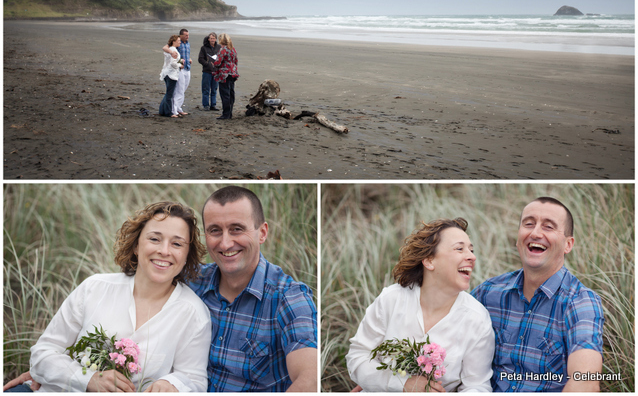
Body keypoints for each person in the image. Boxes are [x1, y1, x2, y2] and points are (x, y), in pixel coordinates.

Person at [4, 202, 211, 393]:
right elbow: (43, 354)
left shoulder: (193, 313)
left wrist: (172, 383)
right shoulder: (95, 288)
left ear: (187, 255)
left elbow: (194, 379)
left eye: (177, 244)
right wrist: (88, 378)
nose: (164, 251)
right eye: (154, 239)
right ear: (137, 246)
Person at [189, 185, 317, 391]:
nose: (225, 243)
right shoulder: (192, 281)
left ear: (262, 233)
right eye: (215, 231)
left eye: (236, 229)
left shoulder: (289, 298)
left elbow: (309, 380)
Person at [471, 197, 604, 392]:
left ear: (568, 244)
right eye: (529, 224)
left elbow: (585, 381)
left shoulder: (580, 303)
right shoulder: (488, 293)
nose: (535, 233)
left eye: (548, 227)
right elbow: (444, 330)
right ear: (518, 238)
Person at [346, 218, 494, 392]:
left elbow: (478, 386)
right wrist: (402, 384)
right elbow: (358, 357)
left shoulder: (477, 318)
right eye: (459, 249)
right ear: (429, 261)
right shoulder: (391, 299)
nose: (472, 256)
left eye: (471, 250)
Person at [212, 33, 238, 120]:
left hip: (224, 74)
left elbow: (218, 62)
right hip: (232, 73)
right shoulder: (233, 49)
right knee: (231, 94)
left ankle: (226, 114)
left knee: (225, 94)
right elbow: (236, 61)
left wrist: (214, 63)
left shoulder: (223, 50)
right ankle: (229, 113)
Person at [159, 35, 183, 117]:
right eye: (178, 40)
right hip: (171, 74)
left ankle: (162, 110)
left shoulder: (171, 50)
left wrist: (180, 61)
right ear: (174, 41)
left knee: (168, 93)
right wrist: (180, 65)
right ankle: (169, 113)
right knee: (170, 94)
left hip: (166, 73)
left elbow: (173, 61)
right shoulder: (173, 50)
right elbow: (173, 63)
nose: (180, 42)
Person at [198, 32, 221, 111]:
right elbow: (200, 59)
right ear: (208, 39)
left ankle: (213, 105)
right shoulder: (204, 48)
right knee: (206, 89)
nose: (212, 40)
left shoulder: (219, 47)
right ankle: (206, 105)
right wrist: (207, 64)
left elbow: (221, 57)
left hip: (216, 71)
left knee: (214, 89)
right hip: (207, 71)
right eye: (211, 38)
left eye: (214, 38)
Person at [172, 29, 192, 116]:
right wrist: (180, 63)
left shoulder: (187, 44)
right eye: (186, 35)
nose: (187, 37)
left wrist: (189, 59)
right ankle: (174, 109)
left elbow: (186, 55)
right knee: (179, 89)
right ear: (181, 36)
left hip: (187, 68)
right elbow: (173, 55)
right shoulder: (177, 44)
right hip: (180, 69)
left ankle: (179, 108)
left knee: (184, 88)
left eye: (188, 35)